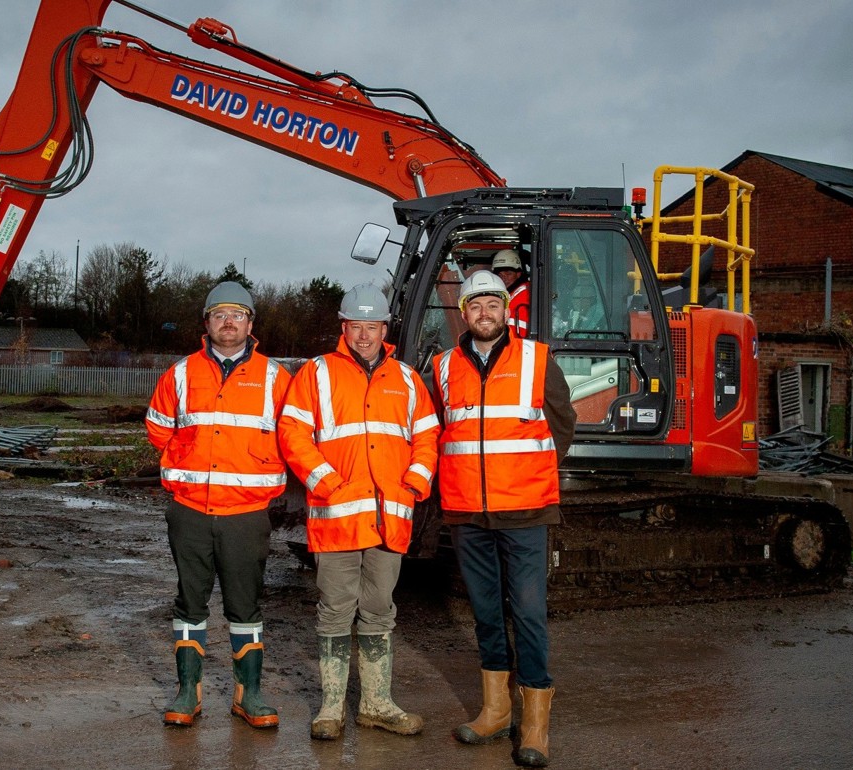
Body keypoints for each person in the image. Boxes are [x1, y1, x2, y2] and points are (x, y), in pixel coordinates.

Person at [277, 283, 440, 741]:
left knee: (379, 609)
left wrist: (417, 479)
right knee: (334, 610)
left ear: (384, 328)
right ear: (343, 328)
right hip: (337, 518)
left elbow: (427, 435)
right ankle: (331, 708)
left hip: (389, 518)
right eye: (356, 326)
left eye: (372, 326)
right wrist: (324, 481)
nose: (364, 335)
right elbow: (292, 433)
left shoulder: (407, 379)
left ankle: (375, 703)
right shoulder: (316, 374)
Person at [431, 270, 576, 768]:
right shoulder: (445, 367)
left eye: (493, 304)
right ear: (465, 313)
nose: (484, 313)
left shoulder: (537, 359)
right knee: (487, 613)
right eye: (475, 306)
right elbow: (441, 434)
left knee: (529, 614)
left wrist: (528, 474)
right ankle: (496, 710)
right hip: (468, 511)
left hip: (526, 510)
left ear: (505, 310)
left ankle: (534, 722)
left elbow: (561, 423)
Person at [145, 281, 291, 730]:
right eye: (220, 315)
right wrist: (182, 465)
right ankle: (189, 691)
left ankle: (250, 695)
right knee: (189, 602)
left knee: (245, 606)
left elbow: (295, 434)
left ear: (251, 325)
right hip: (189, 510)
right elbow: (158, 426)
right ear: (206, 323)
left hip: (246, 514)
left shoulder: (275, 377)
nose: (229, 322)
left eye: (238, 315)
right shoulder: (181, 373)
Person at [491, 249, 530, 338]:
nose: (504, 279)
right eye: (500, 275)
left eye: (508, 274)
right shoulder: (509, 294)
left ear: (518, 274)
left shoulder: (524, 293)